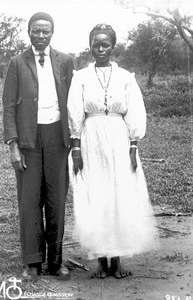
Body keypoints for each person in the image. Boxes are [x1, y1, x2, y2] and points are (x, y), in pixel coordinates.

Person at [68, 24, 159, 279]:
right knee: (97, 196)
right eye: (96, 44)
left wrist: (133, 144)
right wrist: (76, 147)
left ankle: (117, 260)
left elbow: (136, 111)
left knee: (119, 196)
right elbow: (75, 111)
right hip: (91, 138)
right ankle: (101, 261)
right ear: (90, 46)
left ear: (113, 47)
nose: (100, 49)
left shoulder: (125, 78)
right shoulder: (81, 77)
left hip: (119, 139)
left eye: (105, 44)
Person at [3, 12, 74, 280]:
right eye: (36, 31)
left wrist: (74, 141)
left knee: (56, 200)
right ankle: (32, 263)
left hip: (58, 139)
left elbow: (72, 102)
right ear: (29, 32)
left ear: (52, 33)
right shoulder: (16, 62)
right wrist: (13, 145)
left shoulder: (65, 61)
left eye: (45, 31)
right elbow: (8, 106)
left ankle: (56, 262)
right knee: (30, 201)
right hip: (28, 141)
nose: (41, 35)